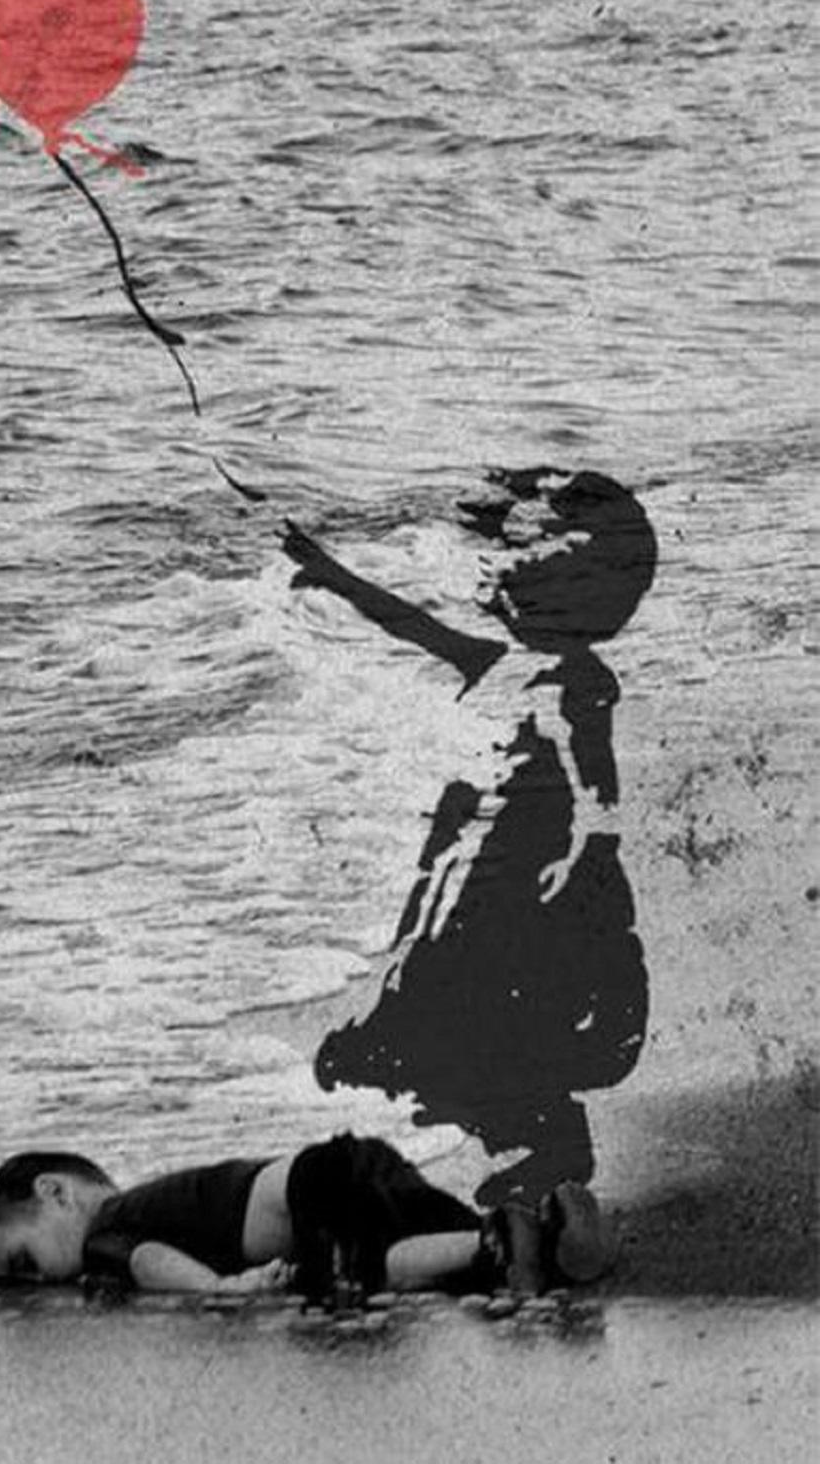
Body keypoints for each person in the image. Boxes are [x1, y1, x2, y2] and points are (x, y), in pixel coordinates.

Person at [283, 466, 657, 1206]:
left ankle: (552, 1149)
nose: (496, 581)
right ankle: (543, 1145)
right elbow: (414, 625)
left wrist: (588, 849)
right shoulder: (506, 662)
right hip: (483, 871)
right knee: (465, 1030)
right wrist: (331, 575)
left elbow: (595, 782)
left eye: (518, 573)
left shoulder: (570, 679)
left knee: (477, 1022)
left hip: (531, 879)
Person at [0, 1133, 611, 1299]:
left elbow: (146, 1262)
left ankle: (498, 1242)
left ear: (56, 1192)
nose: (36, 1283)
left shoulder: (104, 1233)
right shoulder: (156, 1199)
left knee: (369, 1274)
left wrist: (219, 1289)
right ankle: (537, 1231)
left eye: (23, 1263)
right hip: (359, 1164)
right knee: (421, 1244)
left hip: (317, 1186)